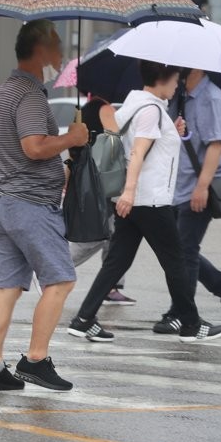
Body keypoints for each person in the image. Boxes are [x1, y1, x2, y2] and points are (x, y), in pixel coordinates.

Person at [67, 61, 221, 344]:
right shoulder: (152, 110)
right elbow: (138, 153)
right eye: (176, 78)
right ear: (163, 78)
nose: (178, 83)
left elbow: (138, 145)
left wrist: (171, 133)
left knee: (117, 262)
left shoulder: (135, 103)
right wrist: (129, 192)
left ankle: (84, 319)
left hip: (133, 201)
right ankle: (190, 323)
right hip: (149, 200)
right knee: (176, 261)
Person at [0, 20, 89, 392]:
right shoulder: (28, 94)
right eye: (56, 43)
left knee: (8, 287)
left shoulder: (7, 89)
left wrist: (63, 168)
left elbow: (31, 152)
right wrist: (71, 137)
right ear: (40, 48)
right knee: (61, 280)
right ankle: (35, 360)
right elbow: (33, 147)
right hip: (30, 207)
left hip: (6, 203)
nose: (60, 51)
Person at [152, 69, 221, 335]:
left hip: (199, 187)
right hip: (175, 185)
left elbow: (216, 145)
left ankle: (180, 313)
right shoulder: (180, 95)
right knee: (179, 249)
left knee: (184, 250)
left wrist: (202, 187)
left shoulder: (213, 98)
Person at [66, 93, 134, 306]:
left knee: (114, 232)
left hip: (85, 176)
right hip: (102, 179)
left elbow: (74, 149)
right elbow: (116, 140)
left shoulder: (82, 112)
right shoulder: (104, 109)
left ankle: (112, 286)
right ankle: (53, 268)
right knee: (103, 232)